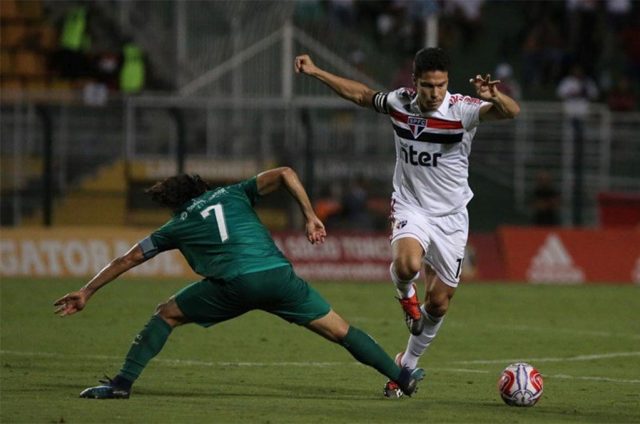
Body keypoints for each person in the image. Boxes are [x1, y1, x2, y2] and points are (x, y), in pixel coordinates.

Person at [53, 167, 424, 399]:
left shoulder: (176, 224)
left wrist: (87, 291)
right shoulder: (233, 192)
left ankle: (121, 384)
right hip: (279, 276)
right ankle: (402, 377)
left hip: (234, 285)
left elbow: (128, 258)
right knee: (341, 331)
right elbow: (286, 173)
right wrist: (310, 216)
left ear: (175, 203)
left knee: (166, 313)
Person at [295, 47, 520, 397]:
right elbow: (360, 94)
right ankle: (405, 296)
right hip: (411, 206)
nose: (434, 93)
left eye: (441, 85)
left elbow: (511, 112)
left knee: (440, 304)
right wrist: (316, 71)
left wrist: (496, 97)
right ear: (415, 83)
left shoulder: (462, 109)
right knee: (408, 263)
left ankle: (407, 365)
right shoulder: (400, 103)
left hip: (452, 218)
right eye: (428, 85)